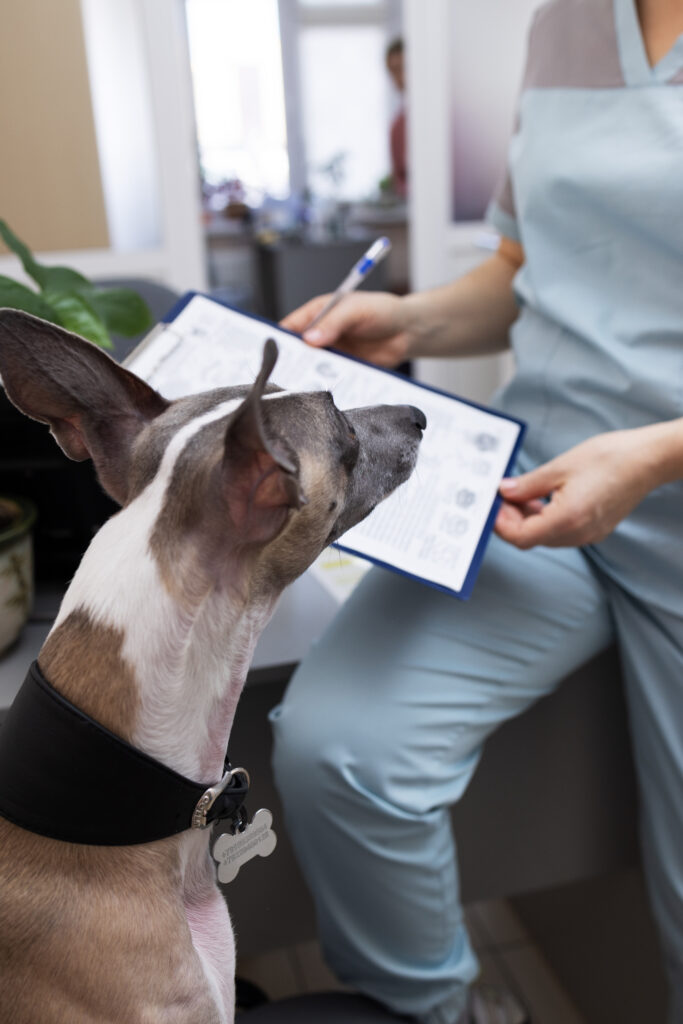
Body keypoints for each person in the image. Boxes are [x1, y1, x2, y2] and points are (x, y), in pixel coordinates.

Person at [269, 1, 683, 1022]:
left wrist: (653, 453)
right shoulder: (565, 23)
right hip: (533, 489)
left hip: (662, 496)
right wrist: (408, 319)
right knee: (339, 750)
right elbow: (521, 268)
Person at [385, 38, 408, 198]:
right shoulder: (397, 126)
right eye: (392, 71)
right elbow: (397, 180)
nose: (397, 77)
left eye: (401, 68)